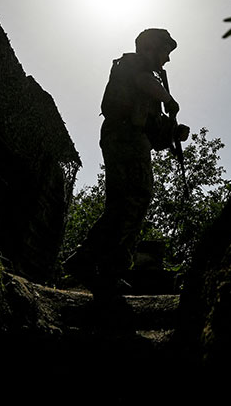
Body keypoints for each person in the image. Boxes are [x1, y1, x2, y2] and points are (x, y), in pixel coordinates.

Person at [68, 28, 188, 298]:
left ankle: (101, 266)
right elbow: (143, 83)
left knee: (126, 202)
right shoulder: (133, 65)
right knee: (133, 199)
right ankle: (98, 264)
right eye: (165, 51)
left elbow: (150, 129)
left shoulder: (146, 79)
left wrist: (172, 131)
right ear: (150, 48)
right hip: (123, 138)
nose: (167, 59)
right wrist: (169, 100)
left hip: (131, 140)